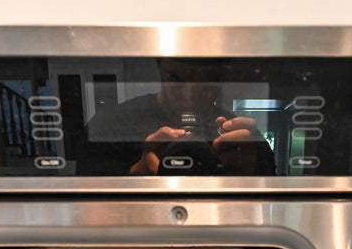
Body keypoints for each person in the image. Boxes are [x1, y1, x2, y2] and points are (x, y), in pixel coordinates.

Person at [80, 60, 276, 176]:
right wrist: (139, 173)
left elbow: (271, 209)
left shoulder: (244, 142)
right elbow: (85, 211)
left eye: (206, 82)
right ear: (160, 72)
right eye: (176, 80)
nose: (190, 96)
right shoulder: (109, 126)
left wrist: (249, 178)